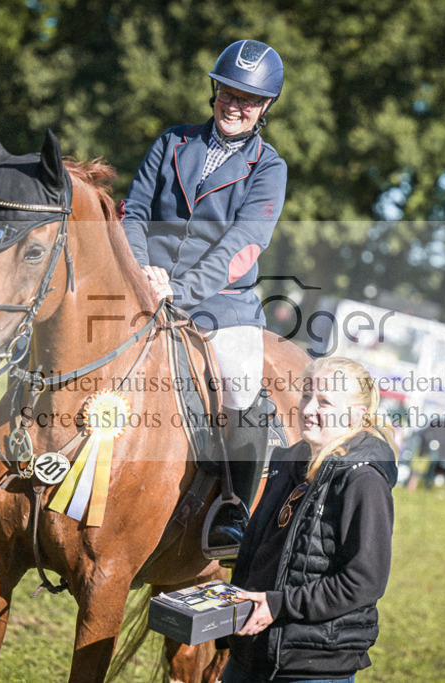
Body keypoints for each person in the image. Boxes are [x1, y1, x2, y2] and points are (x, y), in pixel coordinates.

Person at [121, 39, 287, 550]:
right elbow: (133, 213)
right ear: (214, 91)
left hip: (221, 301)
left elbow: (242, 246)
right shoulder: (173, 141)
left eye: (249, 99)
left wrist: (181, 288)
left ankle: (233, 509)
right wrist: (140, 270)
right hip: (144, 282)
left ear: (263, 108)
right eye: (228, 92)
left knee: (240, 389)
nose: (235, 105)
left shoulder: (268, 167)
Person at [222, 356, 399, 682]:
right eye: (306, 395)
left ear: (356, 415)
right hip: (249, 654)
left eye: (325, 402)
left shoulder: (364, 481)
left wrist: (278, 605)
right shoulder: (289, 461)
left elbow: (363, 582)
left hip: (311, 666)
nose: (306, 409)